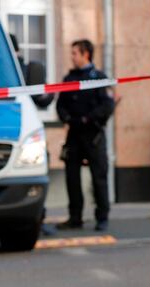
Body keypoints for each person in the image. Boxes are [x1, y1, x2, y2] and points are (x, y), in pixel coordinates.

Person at [55, 39, 115, 231]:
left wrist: (89, 119)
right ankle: (75, 217)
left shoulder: (98, 78)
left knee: (99, 177)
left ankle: (102, 217)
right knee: (72, 177)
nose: (72, 57)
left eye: (75, 53)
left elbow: (107, 105)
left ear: (85, 54)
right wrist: (67, 118)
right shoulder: (69, 79)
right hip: (74, 134)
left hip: (93, 134)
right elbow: (60, 104)